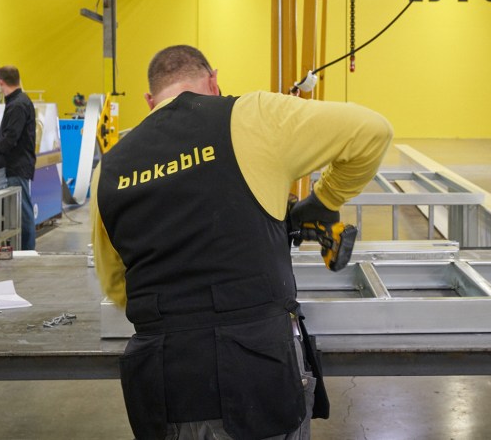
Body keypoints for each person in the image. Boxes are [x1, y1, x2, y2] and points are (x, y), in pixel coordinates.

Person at [90, 45, 392, 440]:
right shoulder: (250, 117)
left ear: (150, 101)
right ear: (213, 81)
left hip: (164, 387)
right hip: (258, 377)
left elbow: (117, 285)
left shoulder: (107, 169)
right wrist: (323, 202)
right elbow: (372, 131)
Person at [0, 66, 38, 250]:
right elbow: (11, 135)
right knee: (17, 212)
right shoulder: (17, 102)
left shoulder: (18, 104)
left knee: (22, 213)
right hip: (15, 164)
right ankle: (21, 250)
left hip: (16, 166)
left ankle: (27, 252)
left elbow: (10, 140)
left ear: (0, 82)